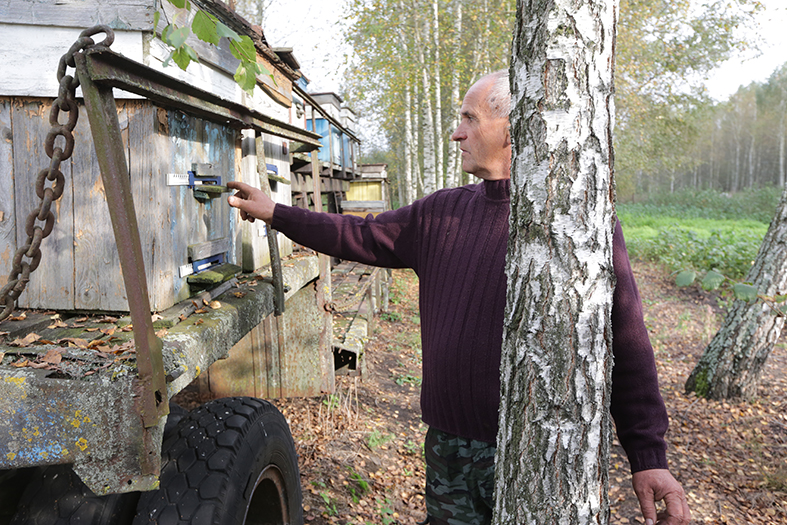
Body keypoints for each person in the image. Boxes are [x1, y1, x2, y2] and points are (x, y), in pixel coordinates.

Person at [227, 70, 690, 525]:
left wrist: (648, 455)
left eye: (469, 118)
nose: (456, 133)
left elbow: (626, 342)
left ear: (515, 128)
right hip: (448, 448)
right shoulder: (442, 212)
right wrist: (276, 212)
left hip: (538, 454)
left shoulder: (580, 227)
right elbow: (359, 234)